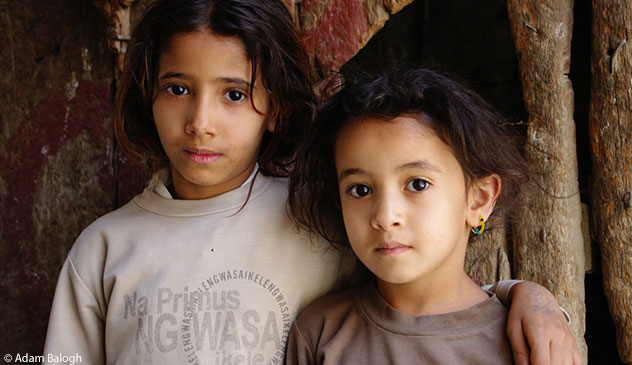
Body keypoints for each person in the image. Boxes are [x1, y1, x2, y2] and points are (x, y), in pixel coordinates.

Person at [42, 0, 576, 364]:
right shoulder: (104, 249)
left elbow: (426, 290)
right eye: (177, 87)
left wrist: (530, 298)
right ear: (148, 95)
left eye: (233, 94)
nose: (200, 120)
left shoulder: (313, 220)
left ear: (274, 106)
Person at [286, 67, 581, 364]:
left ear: (479, 199)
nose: (386, 217)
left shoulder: (531, 343)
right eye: (360, 190)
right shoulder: (320, 334)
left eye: (417, 184)